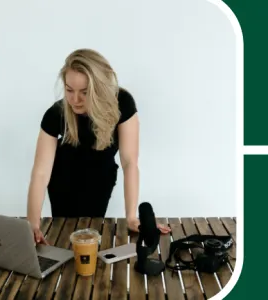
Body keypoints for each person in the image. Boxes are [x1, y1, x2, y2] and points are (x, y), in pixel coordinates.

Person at [26, 49, 172, 244]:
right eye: (69, 90)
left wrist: (131, 217)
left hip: (101, 178)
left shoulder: (123, 104)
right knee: (65, 237)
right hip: (63, 180)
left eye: (84, 92)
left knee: (92, 237)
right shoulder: (55, 114)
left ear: (100, 88)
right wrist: (33, 224)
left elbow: (129, 162)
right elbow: (41, 173)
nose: (74, 99)